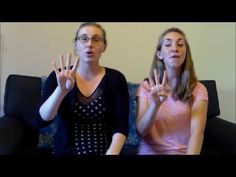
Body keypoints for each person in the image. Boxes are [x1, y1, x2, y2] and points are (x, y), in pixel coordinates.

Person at [36, 22, 129, 155]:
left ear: (104, 46)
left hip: (106, 150)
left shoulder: (116, 79)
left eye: (96, 39)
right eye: (84, 38)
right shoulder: (59, 76)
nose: (90, 44)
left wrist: (112, 152)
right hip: (67, 151)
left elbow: (120, 123)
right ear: (76, 45)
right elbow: (42, 121)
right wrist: (61, 91)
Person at [136, 27, 208, 155]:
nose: (175, 48)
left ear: (186, 53)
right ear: (159, 54)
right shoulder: (146, 86)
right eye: (168, 44)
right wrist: (155, 104)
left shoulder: (198, 89)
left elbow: (197, 134)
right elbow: (142, 131)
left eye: (180, 44)